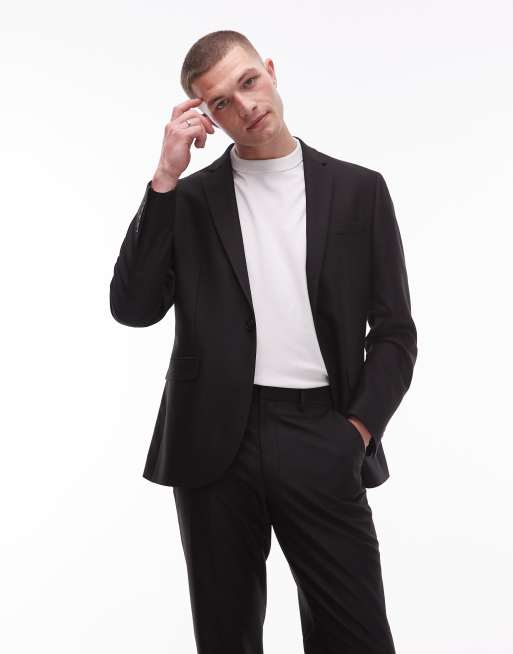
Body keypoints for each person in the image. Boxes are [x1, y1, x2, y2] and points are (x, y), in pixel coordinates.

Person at [109, 29, 417, 654]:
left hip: (322, 433)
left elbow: (394, 333)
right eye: (221, 102)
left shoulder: (359, 190)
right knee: (226, 637)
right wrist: (165, 176)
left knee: (356, 635)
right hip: (214, 446)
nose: (244, 106)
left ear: (270, 71)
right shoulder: (190, 201)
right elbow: (133, 308)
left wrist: (356, 432)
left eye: (248, 82)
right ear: (207, 117)